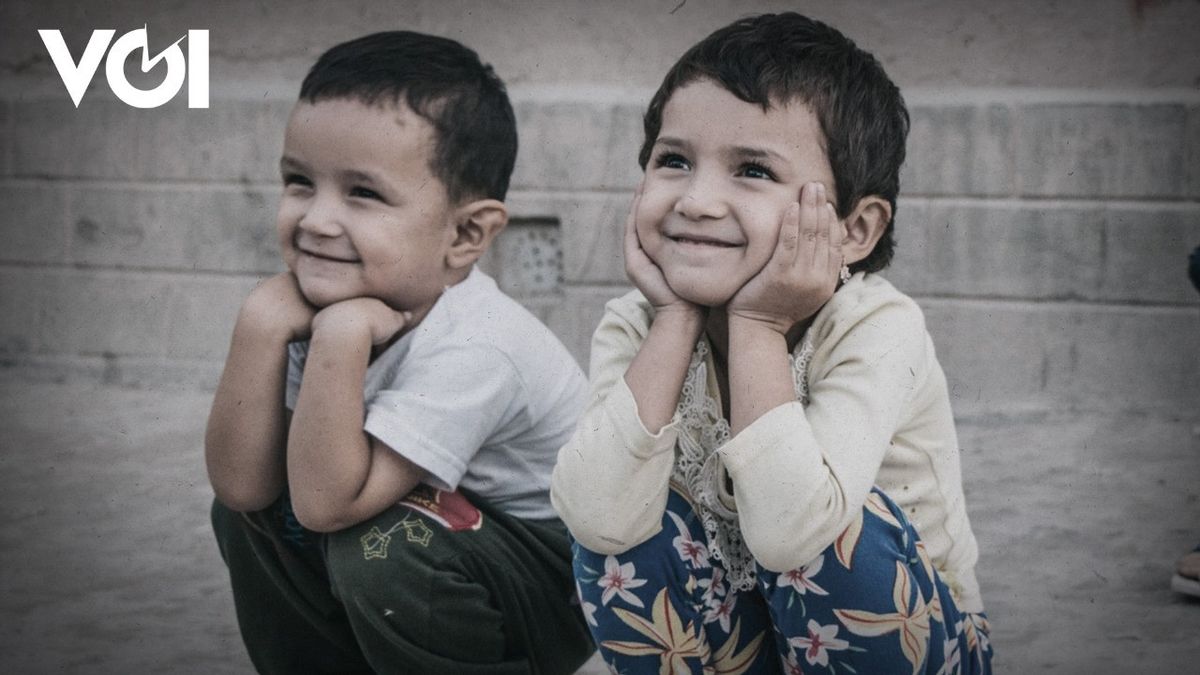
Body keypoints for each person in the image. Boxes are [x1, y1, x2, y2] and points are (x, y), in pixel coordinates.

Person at [551, 13, 992, 674]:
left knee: (831, 527)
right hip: (747, 636)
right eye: (674, 161)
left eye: (752, 170)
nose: (697, 200)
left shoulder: (875, 325)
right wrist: (674, 319)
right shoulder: (636, 321)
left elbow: (795, 532)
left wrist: (757, 327)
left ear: (854, 229)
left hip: (908, 644)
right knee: (621, 502)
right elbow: (595, 521)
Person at [204, 31, 593, 674]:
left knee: (380, 545)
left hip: (543, 581)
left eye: (363, 193)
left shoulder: (478, 346)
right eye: (299, 182)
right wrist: (258, 328)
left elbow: (330, 504)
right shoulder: (336, 297)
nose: (316, 220)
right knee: (257, 514)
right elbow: (241, 489)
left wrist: (339, 339)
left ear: (466, 233)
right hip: (447, 540)